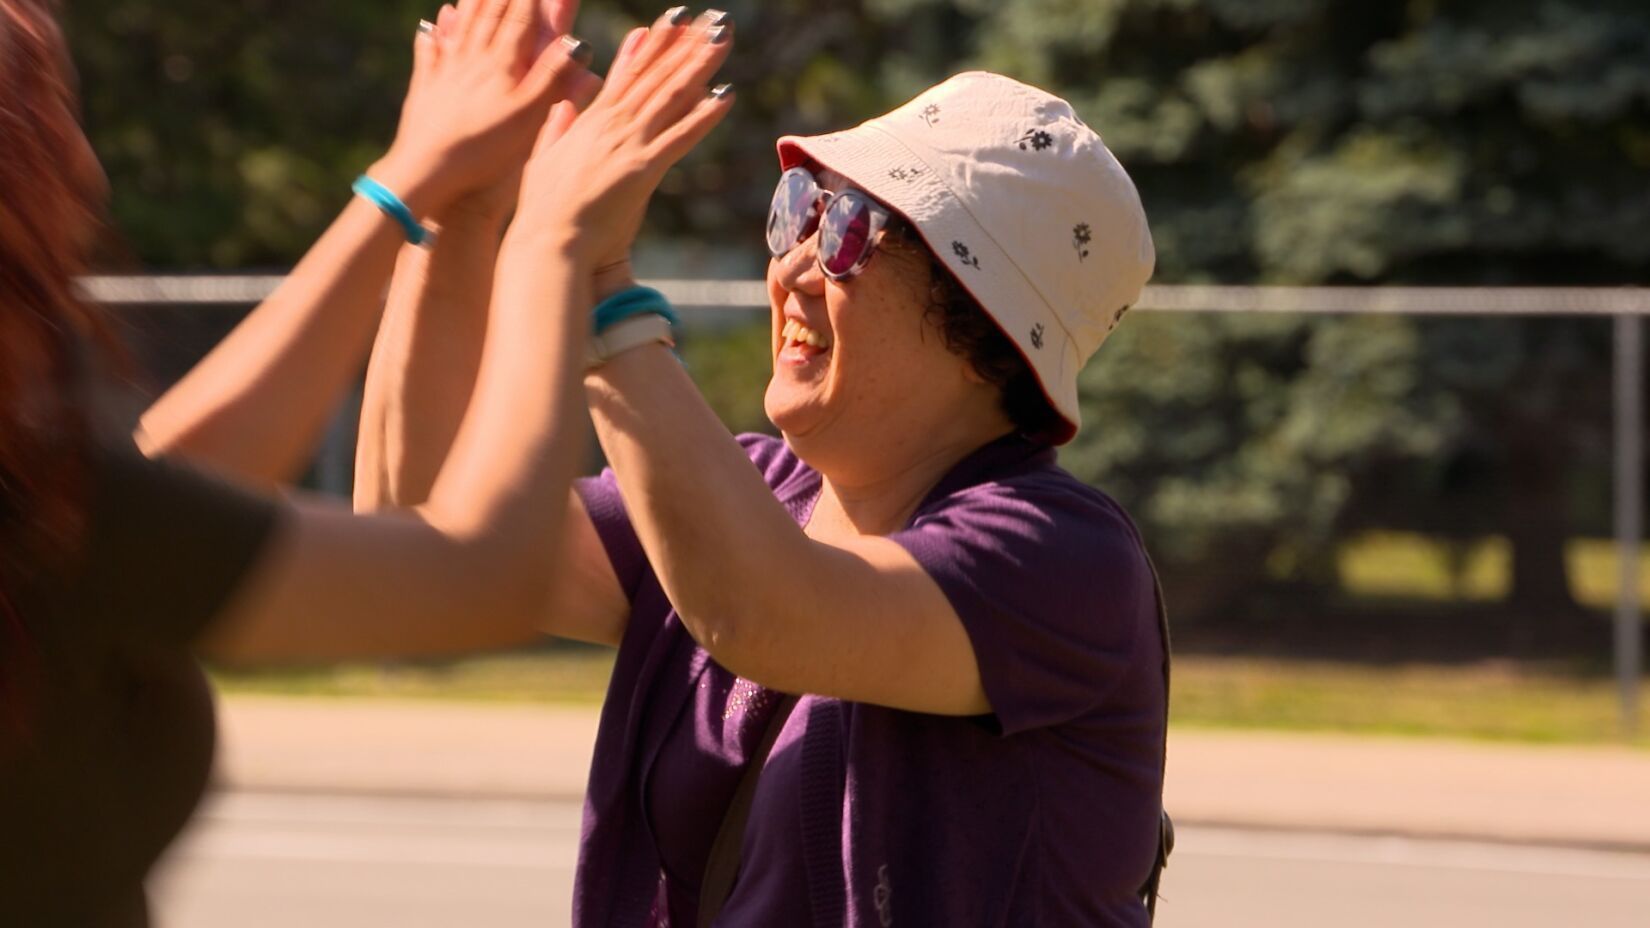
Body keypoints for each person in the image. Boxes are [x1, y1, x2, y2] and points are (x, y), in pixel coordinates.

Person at [364, 54, 1169, 927]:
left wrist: (594, 281)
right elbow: (423, 536)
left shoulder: (1061, 556)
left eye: (847, 229)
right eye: (795, 213)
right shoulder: (753, 490)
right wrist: (459, 199)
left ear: (986, 327)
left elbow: (766, 616)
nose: (790, 268)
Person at [0, 0, 732, 922]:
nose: (87, 163)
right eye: (53, 112)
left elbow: (181, 474)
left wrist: (434, 186)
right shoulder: (52, 515)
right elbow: (475, 575)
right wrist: (556, 240)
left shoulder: (48, 503)